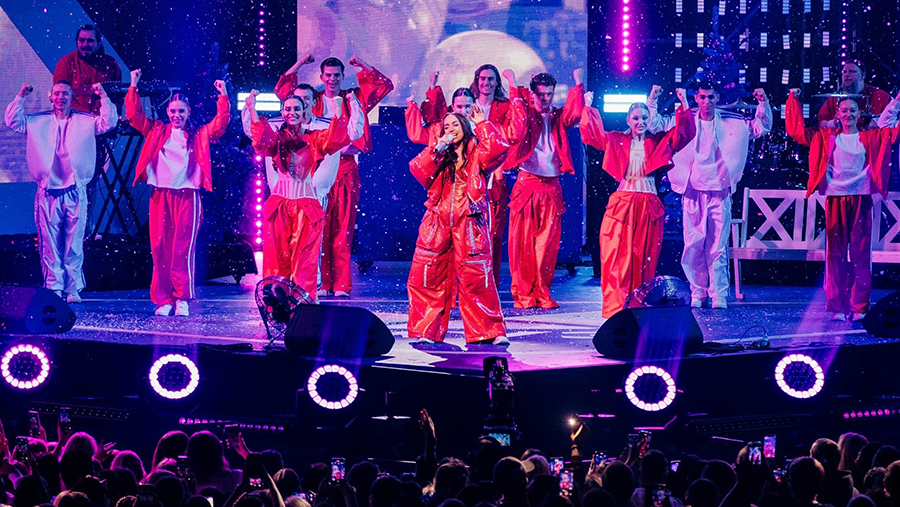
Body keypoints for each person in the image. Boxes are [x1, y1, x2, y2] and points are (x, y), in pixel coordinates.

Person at [275, 54, 394, 298]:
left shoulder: (353, 98)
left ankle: (340, 284)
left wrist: (363, 64)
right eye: (328, 75)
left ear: (342, 76)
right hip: (318, 168)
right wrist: (300, 63)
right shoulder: (312, 99)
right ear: (321, 77)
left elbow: (384, 85)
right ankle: (320, 281)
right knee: (317, 226)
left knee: (343, 227)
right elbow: (284, 91)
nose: (332, 79)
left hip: (345, 168)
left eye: (336, 75)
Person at [647, 81, 772, 309]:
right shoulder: (683, 121)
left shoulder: (732, 123)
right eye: (703, 97)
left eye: (711, 97)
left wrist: (763, 102)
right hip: (692, 190)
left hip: (719, 190)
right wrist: (653, 98)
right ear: (696, 98)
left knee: (717, 246)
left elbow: (760, 127)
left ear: (717, 99)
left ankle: (719, 294)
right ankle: (698, 292)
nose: (707, 102)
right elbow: (655, 125)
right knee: (693, 244)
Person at [786, 88, 900, 321]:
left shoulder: (870, 137)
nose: (848, 114)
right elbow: (797, 132)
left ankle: (859, 306)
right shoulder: (826, 137)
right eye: (844, 110)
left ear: (860, 114)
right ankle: (837, 306)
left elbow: (893, 132)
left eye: (853, 110)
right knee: (835, 255)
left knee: (861, 253)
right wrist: (793, 100)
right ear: (838, 114)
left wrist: (897, 101)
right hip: (836, 199)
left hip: (861, 199)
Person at [580, 88, 695, 318]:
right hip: (623, 203)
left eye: (644, 118)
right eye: (635, 118)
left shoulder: (658, 141)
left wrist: (683, 103)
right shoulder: (617, 139)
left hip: (648, 204)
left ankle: (638, 303)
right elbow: (593, 135)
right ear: (628, 120)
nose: (640, 122)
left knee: (643, 257)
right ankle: (616, 307)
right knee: (616, 255)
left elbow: (684, 133)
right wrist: (588, 107)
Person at [126, 69, 230, 317]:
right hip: (160, 196)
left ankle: (182, 297)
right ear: (167, 112)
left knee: (182, 248)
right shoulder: (156, 130)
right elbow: (134, 116)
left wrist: (223, 95)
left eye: (181, 111)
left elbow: (220, 124)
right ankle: (163, 299)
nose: (176, 115)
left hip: (187, 196)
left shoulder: (198, 135)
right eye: (173, 111)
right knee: (160, 247)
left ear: (188, 112)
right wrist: (133, 85)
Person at [5, 80, 117, 303]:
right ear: (51, 97)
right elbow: (13, 121)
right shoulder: (38, 121)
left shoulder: (85, 121)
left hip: (75, 190)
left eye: (65, 93)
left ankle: (72, 288)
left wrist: (103, 96)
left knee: (74, 242)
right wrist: (21, 95)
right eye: (57, 93)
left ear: (71, 97)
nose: (61, 97)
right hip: (48, 190)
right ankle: (53, 286)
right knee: (50, 242)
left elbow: (109, 122)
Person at [407, 108, 510, 345]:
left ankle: (488, 332)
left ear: (465, 126)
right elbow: (418, 169)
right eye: (446, 126)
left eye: (455, 125)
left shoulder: (477, 153)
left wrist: (483, 124)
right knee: (429, 275)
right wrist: (437, 148)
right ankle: (426, 330)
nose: (450, 130)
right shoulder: (440, 153)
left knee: (476, 278)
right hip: (437, 221)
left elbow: (499, 148)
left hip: (469, 221)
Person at [246, 90, 351, 301]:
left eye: (296, 109)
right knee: (277, 258)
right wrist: (251, 108)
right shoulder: (277, 138)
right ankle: (277, 303)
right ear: (282, 112)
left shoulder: (314, 138)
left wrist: (338, 109)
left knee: (305, 260)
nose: (291, 113)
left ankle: (303, 304)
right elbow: (260, 140)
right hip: (280, 205)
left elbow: (335, 139)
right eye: (287, 109)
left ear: (304, 112)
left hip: (305, 206)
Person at [505, 70, 585, 309]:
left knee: (547, 246)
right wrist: (512, 83)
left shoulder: (558, 117)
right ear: (532, 94)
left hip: (551, 188)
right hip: (527, 185)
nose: (545, 99)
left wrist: (578, 84)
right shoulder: (525, 115)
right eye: (540, 94)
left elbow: (575, 114)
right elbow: (517, 119)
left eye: (549, 94)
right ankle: (523, 294)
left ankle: (542, 292)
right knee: (523, 245)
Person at [53, 24, 122, 114]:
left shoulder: (110, 63)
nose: (85, 44)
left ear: (98, 42)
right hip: (75, 119)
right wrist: (89, 117)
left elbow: (118, 95)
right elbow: (61, 97)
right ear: (76, 41)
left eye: (90, 41)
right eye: (81, 40)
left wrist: (112, 115)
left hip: (105, 119)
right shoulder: (66, 63)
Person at [818, 60, 890, 131]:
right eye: (844, 72)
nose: (847, 75)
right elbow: (821, 123)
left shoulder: (879, 96)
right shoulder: (834, 98)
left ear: (862, 75)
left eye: (851, 71)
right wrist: (833, 123)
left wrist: (878, 122)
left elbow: (893, 119)